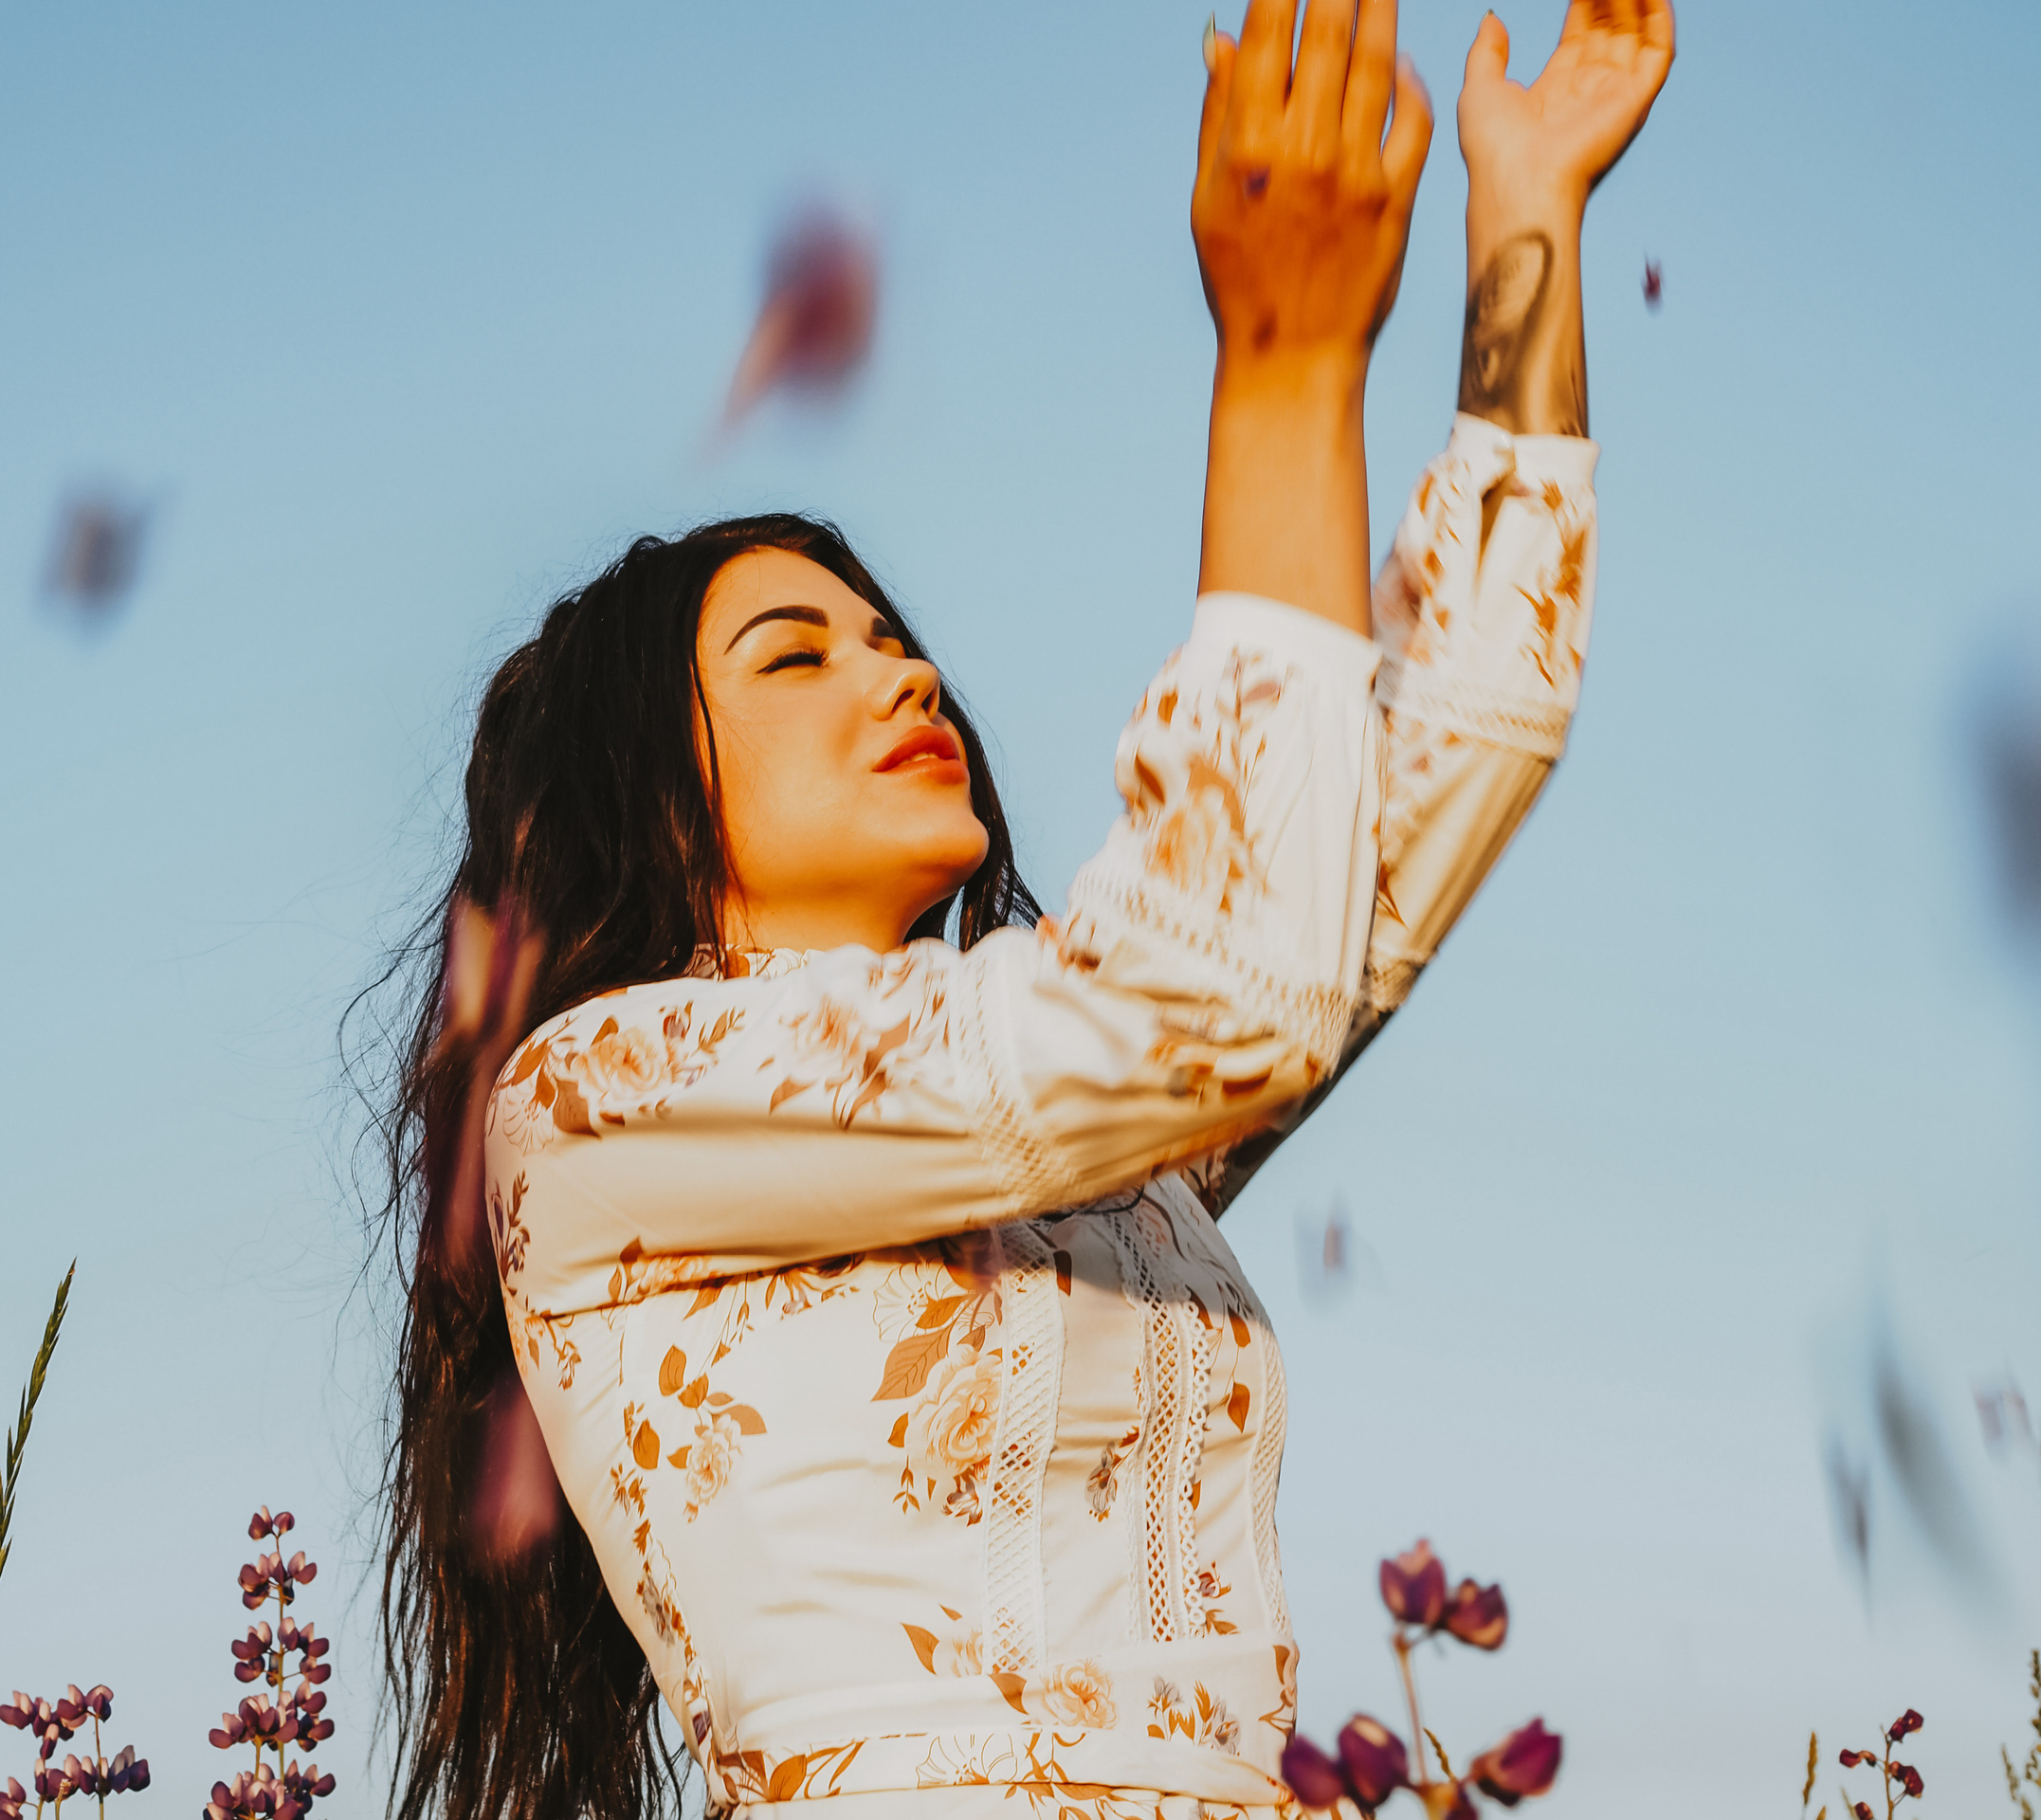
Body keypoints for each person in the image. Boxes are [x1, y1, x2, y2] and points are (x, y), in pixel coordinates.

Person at [368, 3, 1673, 1817]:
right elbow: (1216, 991)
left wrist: (1525, 222)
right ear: (650, 803)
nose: (897, 676)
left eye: (895, 638)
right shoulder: (593, 1114)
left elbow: (1444, 766)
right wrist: (1288, 361)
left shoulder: (1105, 1149)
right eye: (794, 652)